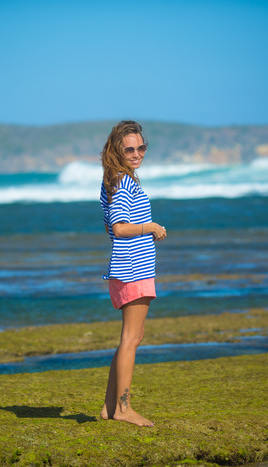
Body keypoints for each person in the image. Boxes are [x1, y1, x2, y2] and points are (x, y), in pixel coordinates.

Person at [99, 120, 167, 427]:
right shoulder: (121, 183)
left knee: (130, 338)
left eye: (141, 147)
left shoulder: (117, 180)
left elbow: (111, 225)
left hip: (130, 267)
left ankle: (109, 407)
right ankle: (124, 410)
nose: (137, 153)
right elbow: (118, 227)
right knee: (131, 338)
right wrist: (149, 228)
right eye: (130, 148)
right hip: (132, 270)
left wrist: (142, 234)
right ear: (117, 149)